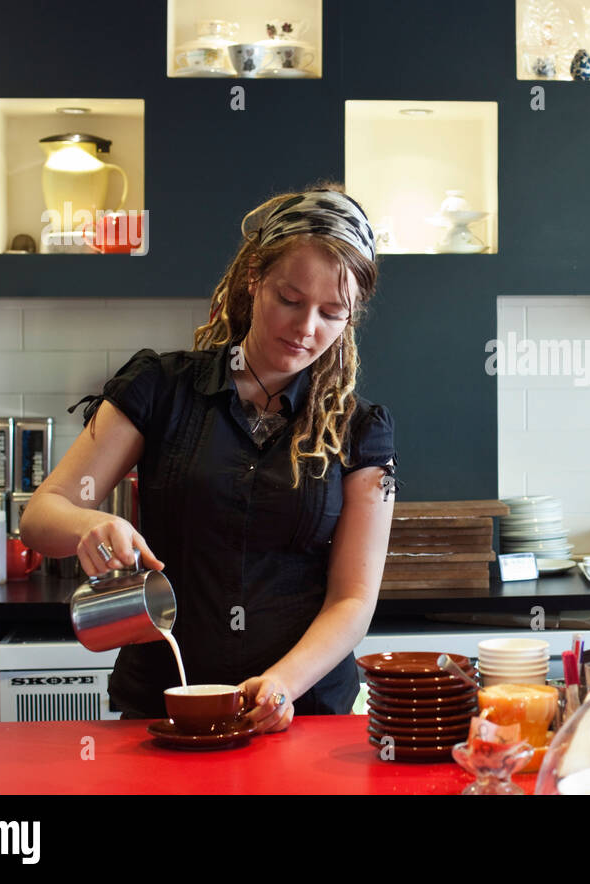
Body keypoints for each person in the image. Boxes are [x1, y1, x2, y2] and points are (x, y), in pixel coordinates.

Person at [20, 184, 396, 731]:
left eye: (331, 312)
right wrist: (90, 523)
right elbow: (42, 515)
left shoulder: (360, 429)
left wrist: (282, 684)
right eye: (289, 299)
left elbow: (353, 599)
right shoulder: (161, 388)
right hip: (162, 709)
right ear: (254, 279)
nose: (306, 327)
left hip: (303, 716)